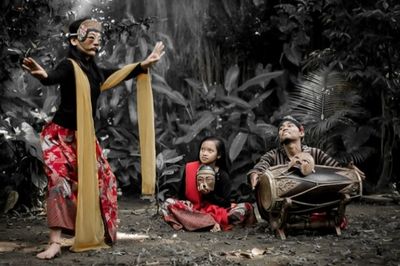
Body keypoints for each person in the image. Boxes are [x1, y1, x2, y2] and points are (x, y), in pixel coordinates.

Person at [21, 18, 165, 259]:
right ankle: (55, 241)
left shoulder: (97, 72)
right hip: (58, 136)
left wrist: (143, 64)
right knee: (58, 182)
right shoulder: (68, 65)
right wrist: (43, 76)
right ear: (75, 40)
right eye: (91, 38)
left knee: (106, 180)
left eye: (99, 40)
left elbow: (121, 73)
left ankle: (97, 231)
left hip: (84, 138)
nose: (96, 43)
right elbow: (52, 76)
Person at [161, 136, 255, 232]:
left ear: (218, 155)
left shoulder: (222, 175)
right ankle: (209, 224)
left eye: (210, 151)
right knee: (168, 203)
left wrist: (209, 194)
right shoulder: (190, 168)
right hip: (194, 210)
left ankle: (202, 224)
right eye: (202, 150)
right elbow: (181, 193)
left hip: (216, 212)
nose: (204, 154)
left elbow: (226, 203)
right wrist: (184, 200)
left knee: (246, 207)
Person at [248, 115, 339, 189]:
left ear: (301, 132)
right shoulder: (273, 155)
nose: (284, 129)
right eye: (281, 128)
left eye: (289, 125)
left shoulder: (315, 153)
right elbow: (261, 165)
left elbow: (337, 169)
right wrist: (255, 173)